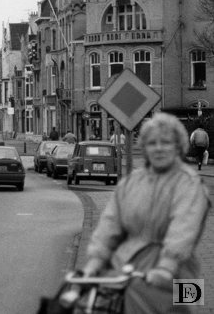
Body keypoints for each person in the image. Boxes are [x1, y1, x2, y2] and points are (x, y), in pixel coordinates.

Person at [82, 113, 211, 314]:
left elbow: (185, 227)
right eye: (152, 143)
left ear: (178, 146)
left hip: (178, 271)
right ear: (144, 148)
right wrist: (96, 260)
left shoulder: (190, 183)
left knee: (184, 309)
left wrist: (167, 266)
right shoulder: (131, 182)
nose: (158, 148)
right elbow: (110, 223)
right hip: (129, 267)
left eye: (165, 142)